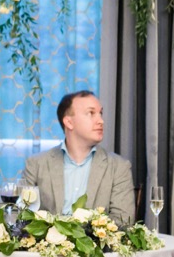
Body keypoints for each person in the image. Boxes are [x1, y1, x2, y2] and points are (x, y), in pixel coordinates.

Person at [20, 90, 135, 226]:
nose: (101, 121)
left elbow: (123, 221)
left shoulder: (119, 167)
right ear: (69, 122)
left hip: (95, 240)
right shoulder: (36, 164)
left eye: (100, 113)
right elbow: (23, 215)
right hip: (47, 239)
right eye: (91, 113)